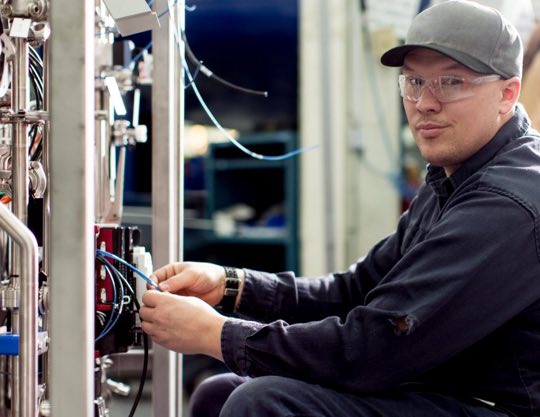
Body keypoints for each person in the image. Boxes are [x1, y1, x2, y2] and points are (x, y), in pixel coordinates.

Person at [139, 1, 540, 416]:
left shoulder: (508, 202)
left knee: (262, 404)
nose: (425, 103)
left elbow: (374, 348)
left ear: (507, 93)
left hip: (497, 406)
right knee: (219, 392)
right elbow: (356, 290)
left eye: (451, 82)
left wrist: (216, 334)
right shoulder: (451, 177)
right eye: (414, 81)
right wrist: (232, 284)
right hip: (444, 390)